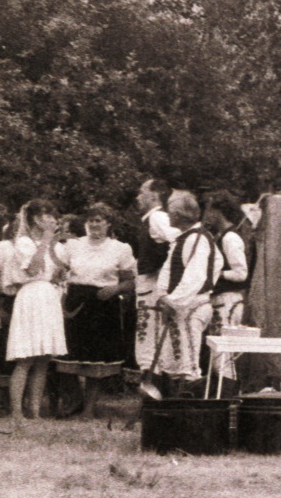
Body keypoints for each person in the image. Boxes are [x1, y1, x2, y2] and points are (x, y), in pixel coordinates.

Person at [55, 202, 137, 418]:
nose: (94, 224)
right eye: (90, 220)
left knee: (96, 359)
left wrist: (115, 289)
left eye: (98, 220)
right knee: (68, 356)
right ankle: (73, 402)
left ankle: (89, 409)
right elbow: (59, 272)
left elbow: (130, 282)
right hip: (76, 302)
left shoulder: (120, 248)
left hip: (103, 304)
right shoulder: (73, 245)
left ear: (108, 223)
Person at [1, 199, 69, 426]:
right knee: (26, 357)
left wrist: (57, 264)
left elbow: (56, 273)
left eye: (52, 215)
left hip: (48, 298)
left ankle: (35, 411)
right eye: (47, 215)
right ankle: (17, 412)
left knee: (42, 359)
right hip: (30, 297)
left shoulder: (54, 246)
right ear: (36, 219)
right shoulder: (23, 243)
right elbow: (33, 269)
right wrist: (47, 242)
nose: (52, 219)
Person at [154, 191, 220, 394]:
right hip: (179, 307)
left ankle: (192, 408)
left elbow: (196, 277)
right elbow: (217, 262)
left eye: (170, 212)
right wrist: (164, 296)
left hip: (189, 308)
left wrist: (173, 301)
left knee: (189, 363)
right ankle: (174, 404)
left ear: (179, 215)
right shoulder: (184, 238)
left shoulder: (197, 240)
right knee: (175, 357)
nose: (168, 216)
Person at [202, 190, 249, 389]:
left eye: (209, 209)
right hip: (220, 301)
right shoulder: (221, 236)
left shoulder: (230, 238)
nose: (206, 214)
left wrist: (217, 273)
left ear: (218, 211)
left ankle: (229, 399)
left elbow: (241, 273)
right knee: (218, 355)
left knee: (223, 355)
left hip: (228, 301)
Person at [133, 178, 180, 376]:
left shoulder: (157, 218)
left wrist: (164, 272)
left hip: (153, 286)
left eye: (142, 192)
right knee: (149, 338)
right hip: (149, 285)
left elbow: (178, 241)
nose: (138, 197)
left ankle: (156, 387)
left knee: (149, 339)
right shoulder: (153, 219)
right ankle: (155, 384)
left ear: (154, 195)